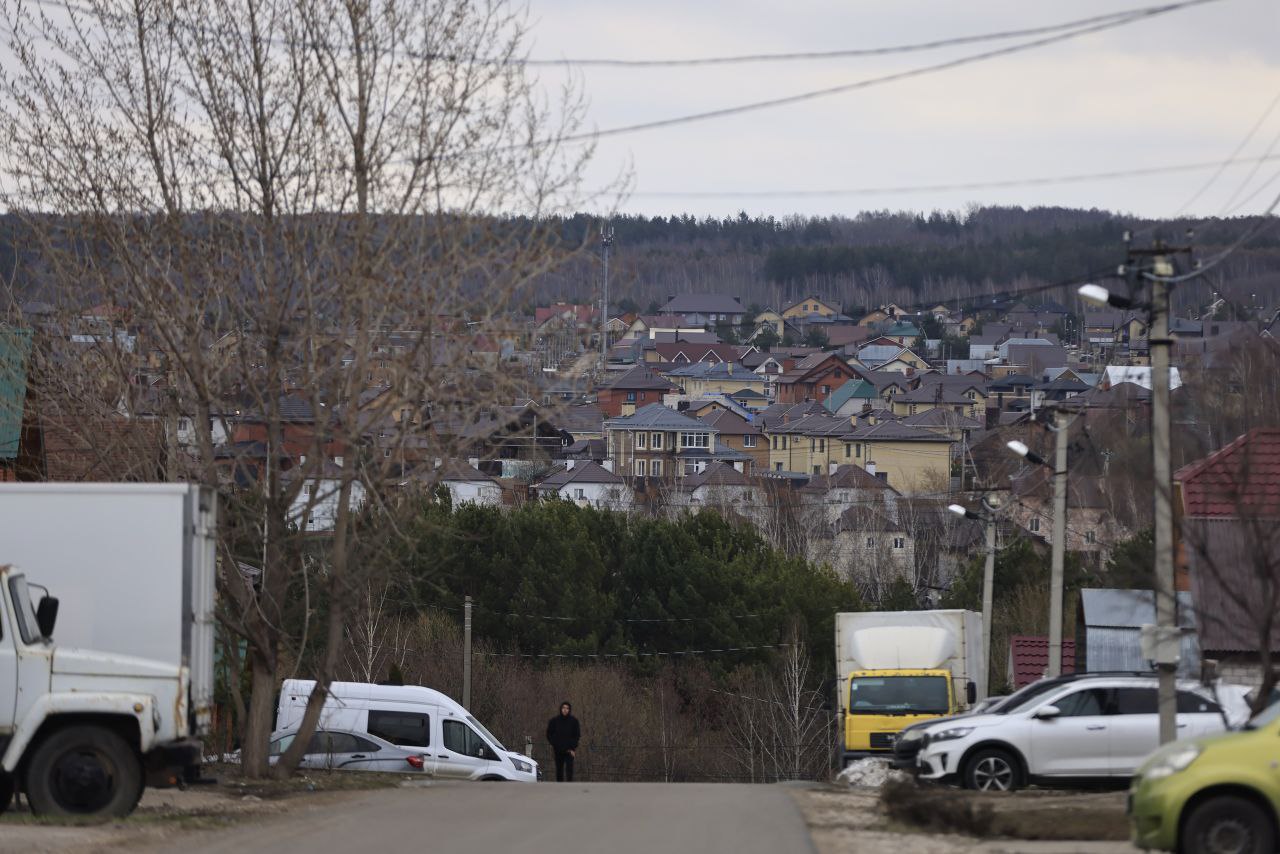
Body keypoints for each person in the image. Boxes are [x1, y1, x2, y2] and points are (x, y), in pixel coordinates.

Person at [545, 701, 580, 782]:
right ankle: (560, 788)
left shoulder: (574, 721)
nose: (565, 710)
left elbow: (577, 735)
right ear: (561, 709)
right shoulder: (554, 721)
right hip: (558, 750)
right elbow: (549, 734)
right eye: (563, 708)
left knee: (569, 770)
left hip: (570, 750)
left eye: (567, 708)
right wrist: (554, 743)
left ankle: (569, 787)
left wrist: (572, 747)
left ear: (569, 710)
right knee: (559, 770)